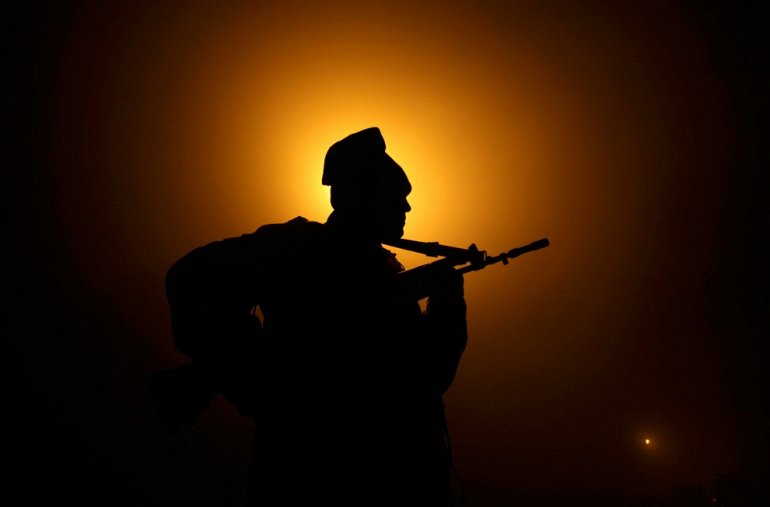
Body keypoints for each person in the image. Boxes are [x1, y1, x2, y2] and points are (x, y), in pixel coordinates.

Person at [164, 127, 468, 505]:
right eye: (396, 197)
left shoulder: (379, 269)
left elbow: (422, 379)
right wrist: (249, 367)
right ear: (365, 196)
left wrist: (445, 302)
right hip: (315, 476)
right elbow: (191, 280)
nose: (406, 208)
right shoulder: (298, 250)